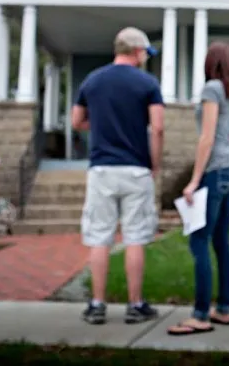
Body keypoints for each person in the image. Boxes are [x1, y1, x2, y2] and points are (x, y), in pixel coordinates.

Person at [71, 27, 164, 325]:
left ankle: (97, 304)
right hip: (136, 168)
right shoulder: (148, 83)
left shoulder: (92, 80)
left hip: (101, 169)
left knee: (100, 237)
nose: (145, 60)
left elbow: (77, 121)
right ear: (137, 51)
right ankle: (135, 305)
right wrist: (155, 164)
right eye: (144, 54)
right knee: (135, 236)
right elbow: (158, 127)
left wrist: (100, 128)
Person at [167, 41, 229, 336]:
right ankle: (223, 309)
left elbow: (207, 138)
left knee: (199, 240)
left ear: (210, 63)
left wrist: (194, 180)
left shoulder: (212, 89)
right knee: (221, 241)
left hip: (215, 171)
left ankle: (200, 315)